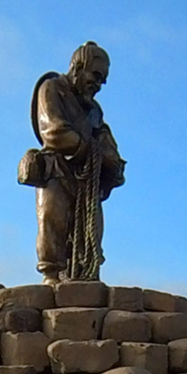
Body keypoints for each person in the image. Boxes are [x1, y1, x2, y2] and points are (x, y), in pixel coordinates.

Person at [19, 42, 126, 284]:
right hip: (56, 170)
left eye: (103, 80)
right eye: (96, 76)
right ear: (78, 67)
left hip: (87, 181)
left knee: (92, 229)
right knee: (53, 221)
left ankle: (84, 271)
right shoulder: (52, 88)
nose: (99, 85)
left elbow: (104, 138)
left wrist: (113, 162)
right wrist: (90, 149)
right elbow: (54, 132)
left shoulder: (94, 111)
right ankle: (52, 274)